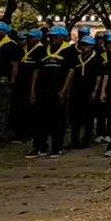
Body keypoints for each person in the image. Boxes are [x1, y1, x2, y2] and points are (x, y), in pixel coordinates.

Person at [28, 26, 75, 157]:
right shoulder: (42, 50)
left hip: (58, 90)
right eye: (50, 36)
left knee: (58, 120)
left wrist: (64, 90)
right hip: (42, 90)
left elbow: (71, 71)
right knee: (40, 120)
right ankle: (39, 147)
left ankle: (57, 147)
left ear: (63, 37)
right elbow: (36, 70)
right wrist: (32, 90)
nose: (52, 39)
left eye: (55, 36)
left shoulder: (69, 51)